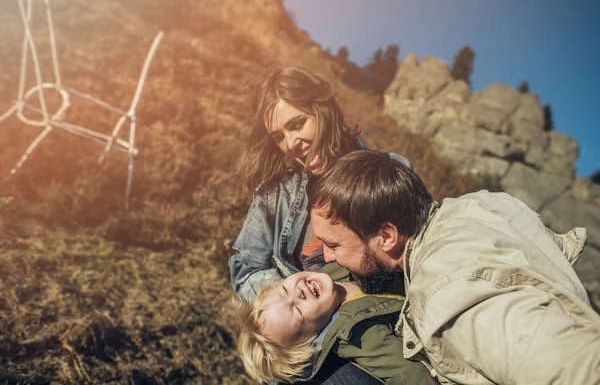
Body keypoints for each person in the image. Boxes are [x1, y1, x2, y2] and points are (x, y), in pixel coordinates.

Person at [308, 150, 600, 384]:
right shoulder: (479, 204)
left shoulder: (448, 295)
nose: (327, 257)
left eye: (334, 246)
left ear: (386, 236)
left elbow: (575, 367)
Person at [228, 66, 411, 384]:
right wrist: (291, 308)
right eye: (278, 136)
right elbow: (246, 268)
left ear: (323, 107)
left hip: (374, 323)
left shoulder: (388, 174)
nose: (289, 143)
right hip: (309, 329)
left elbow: (413, 259)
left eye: (296, 124)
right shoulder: (278, 190)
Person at [232, 270, 438, 384]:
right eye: (298, 311)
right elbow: (411, 376)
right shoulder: (356, 336)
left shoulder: (332, 266)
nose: (299, 293)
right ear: (313, 337)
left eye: (285, 289)